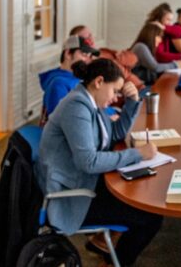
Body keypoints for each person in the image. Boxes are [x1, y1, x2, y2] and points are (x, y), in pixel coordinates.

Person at [35, 59, 163, 266]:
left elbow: (114, 134)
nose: (115, 98)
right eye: (115, 91)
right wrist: (138, 154)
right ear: (99, 82)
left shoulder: (90, 102)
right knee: (150, 217)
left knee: (142, 197)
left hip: (85, 181)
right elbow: (89, 162)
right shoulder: (76, 108)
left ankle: (110, 255)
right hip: (71, 195)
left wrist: (132, 102)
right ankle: (114, 262)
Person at [39, 35, 98, 125]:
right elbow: (62, 122)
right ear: (68, 54)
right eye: (84, 54)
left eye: (89, 56)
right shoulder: (58, 84)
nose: (87, 60)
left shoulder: (80, 78)